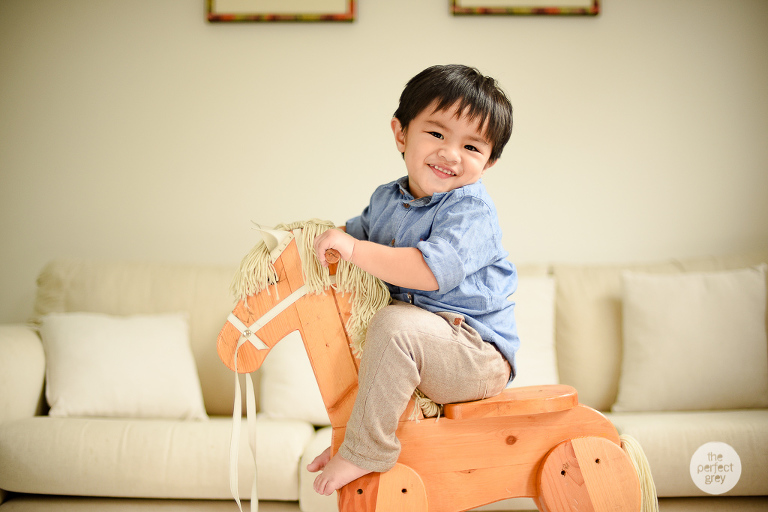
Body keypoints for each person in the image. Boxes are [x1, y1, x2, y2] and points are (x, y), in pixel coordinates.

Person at [309, 64, 519, 496]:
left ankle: (365, 450)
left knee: (393, 326)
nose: (451, 154)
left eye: (472, 146)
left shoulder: (471, 212)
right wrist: (319, 241)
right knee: (369, 334)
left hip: (474, 354)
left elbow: (425, 271)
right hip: (424, 345)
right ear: (401, 134)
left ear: (490, 161)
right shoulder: (387, 198)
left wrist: (354, 249)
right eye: (437, 134)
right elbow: (354, 240)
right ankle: (361, 435)